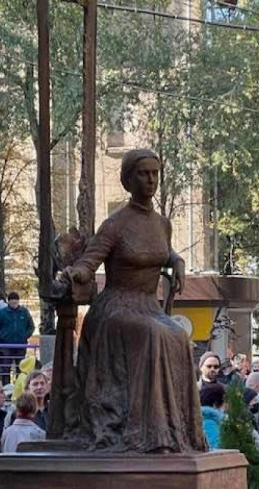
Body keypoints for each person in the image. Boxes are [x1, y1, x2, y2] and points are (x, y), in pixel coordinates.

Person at [62, 149, 205, 452]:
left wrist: (176, 259)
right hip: (116, 309)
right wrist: (75, 272)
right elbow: (91, 260)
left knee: (178, 334)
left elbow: (164, 253)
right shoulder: (115, 224)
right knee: (154, 334)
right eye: (143, 173)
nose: (151, 179)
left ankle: (173, 431)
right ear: (128, 180)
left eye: (155, 173)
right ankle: (149, 434)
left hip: (148, 306)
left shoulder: (162, 224)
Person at [0, 292, 34, 384]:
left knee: (21, 367)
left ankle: (19, 387)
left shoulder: (24, 312)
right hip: (6, 345)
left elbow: (31, 326)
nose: (14, 302)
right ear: (9, 302)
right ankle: (6, 388)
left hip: (20, 345)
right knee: (5, 367)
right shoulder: (2, 312)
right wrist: (2, 336)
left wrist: (25, 336)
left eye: (16, 300)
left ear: (18, 301)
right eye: (12, 301)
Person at [200, 383, 226, 449]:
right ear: (215, 403)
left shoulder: (204, 419)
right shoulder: (209, 423)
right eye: (225, 402)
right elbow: (215, 448)